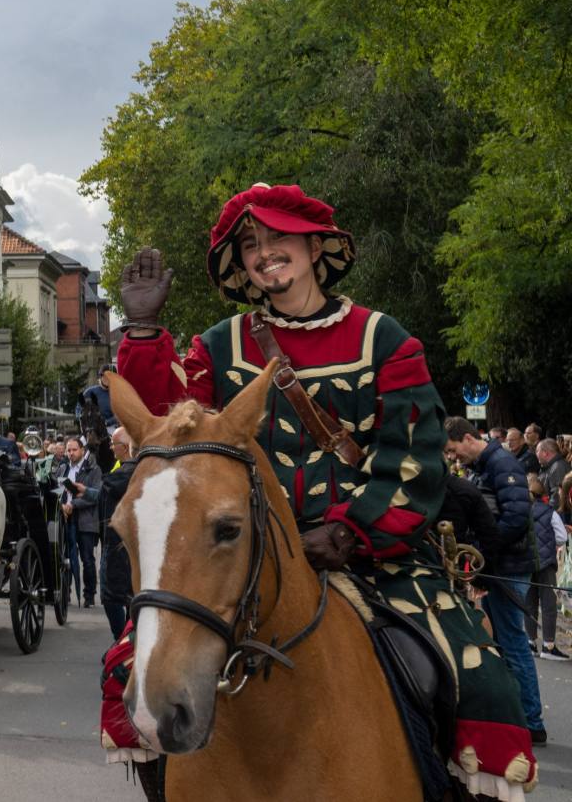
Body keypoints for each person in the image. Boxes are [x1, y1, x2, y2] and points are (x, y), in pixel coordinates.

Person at [105, 182, 535, 794]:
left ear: (314, 247)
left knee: (481, 681)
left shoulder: (382, 338)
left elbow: (412, 458)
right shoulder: (221, 344)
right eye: (250, 243)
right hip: (245, 555)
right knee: (127, 671)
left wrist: (351, 529)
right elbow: (165, 432)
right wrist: (145, 333)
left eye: (279, 237)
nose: (264, 252)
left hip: (372, 556)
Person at [444, 419, 548, 743]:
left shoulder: (501, 463)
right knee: (504, 642)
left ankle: (531, 721)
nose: (454, 458)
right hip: (501, 563)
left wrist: (484, 550)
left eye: (453, 450)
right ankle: (519, 715)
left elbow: (515, 517)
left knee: (513, 643)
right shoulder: (490, 463)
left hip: (509, 565)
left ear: (465, 438)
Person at [96, 427, 137, 639]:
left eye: (114, 444)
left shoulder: (125, 474)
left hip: (118, 543)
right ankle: (125, 640)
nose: (112, 449)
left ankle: (123, 641)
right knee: (125, 596)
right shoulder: (121, 469)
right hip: (118, 542)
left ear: (126, 447)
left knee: (114, 596)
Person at [523, 474, 566, 661]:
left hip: (527, 561)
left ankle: (530, 641)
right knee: (548, 603)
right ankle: (548, 645)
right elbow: (562, 537)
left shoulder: (523, 511)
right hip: (546, 562)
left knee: (529, 602)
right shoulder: (550, 512)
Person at [60, 436, 101, 608]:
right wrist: (62, 505)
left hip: (86, 519)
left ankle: (89, 596)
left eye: (74, 449)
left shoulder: (93, 469)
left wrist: (73, 504)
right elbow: (58, 491)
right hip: (66, 518)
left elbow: (94, 496)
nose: (70, 453)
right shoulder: (62, 468)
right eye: (68, 450)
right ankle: (66, 593)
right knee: (66, 558)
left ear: (82, 450)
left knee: (87, 559)